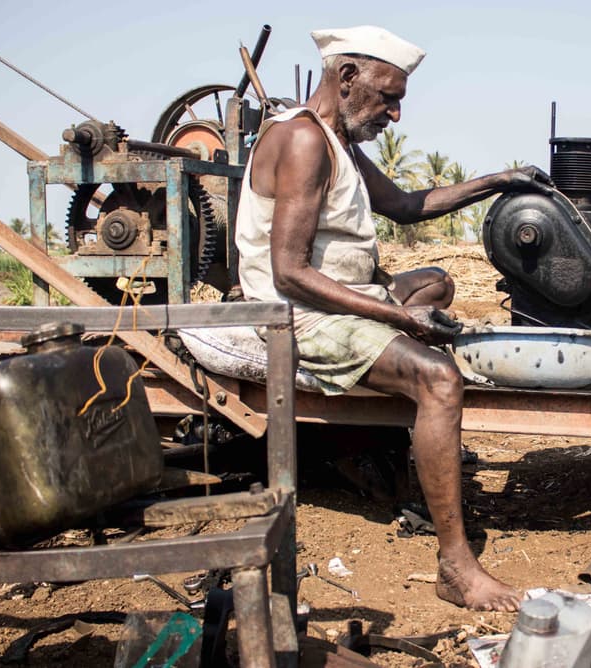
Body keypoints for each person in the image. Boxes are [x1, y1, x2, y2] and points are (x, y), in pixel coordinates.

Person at [234, 25, 554, 611]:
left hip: (340, 292)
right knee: (439, 378)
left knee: (437, 285)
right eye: (389, 96)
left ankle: (396, 423)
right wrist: (398, 319)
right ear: (347, 77)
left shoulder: (337, 142)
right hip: (299, 313)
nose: (396, 114)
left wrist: (500, 180)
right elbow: (289, 272)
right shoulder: (303, 141)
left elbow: (407, 207)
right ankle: (456, 567)